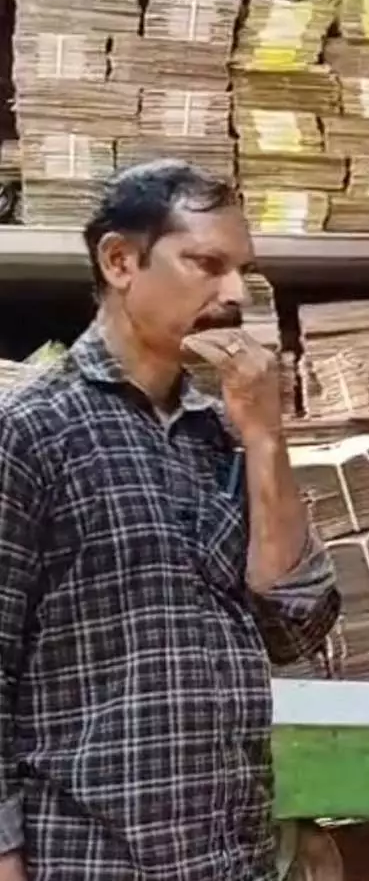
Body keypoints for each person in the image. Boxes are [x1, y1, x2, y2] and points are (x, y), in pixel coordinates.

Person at [0, 160, 339, 881]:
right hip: (90, 857)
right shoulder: (31, 432)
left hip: (229, 853)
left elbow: (295, 626)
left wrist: (266, 437)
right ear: (120, 262)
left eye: (243, 271)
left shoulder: (223, 434)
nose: (235, 294)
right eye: (207, 265)